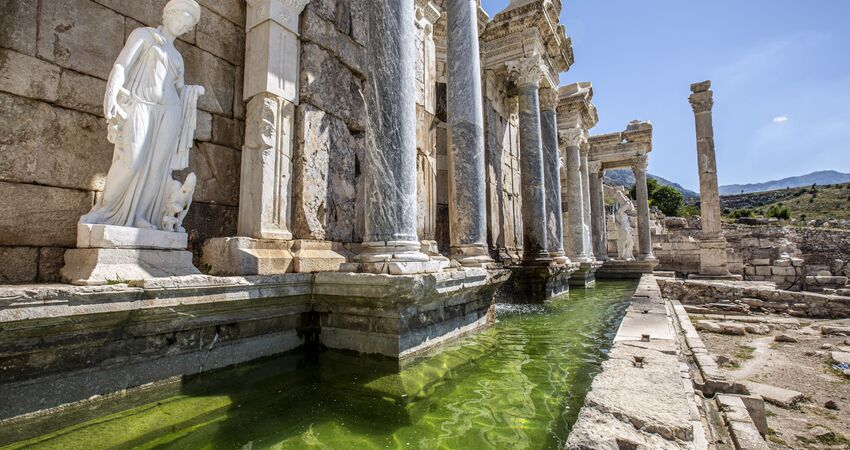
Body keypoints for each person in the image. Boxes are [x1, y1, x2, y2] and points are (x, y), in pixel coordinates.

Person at [81, 0, 204, 231]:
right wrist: (111, 94)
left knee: (158, 167)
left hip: (170, 111)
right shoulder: (145, 36)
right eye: (180, 18)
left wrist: (191, 94)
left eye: (188, 24)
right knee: (131, 160)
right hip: (142, 104)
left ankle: (140, 216)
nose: (182, 25)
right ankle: (104, 211)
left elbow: (178, 88)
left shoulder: (177, 57)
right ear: (168, 15)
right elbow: (122, 65)